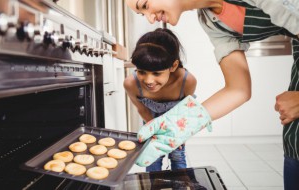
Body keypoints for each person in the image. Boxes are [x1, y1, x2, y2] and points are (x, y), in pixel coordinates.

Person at [125, 0, 299, 189]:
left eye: (145, 4)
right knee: (294, 145)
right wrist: (182, 123)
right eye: (142, 14)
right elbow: (238, 89)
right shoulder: (211, 21)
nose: (150, 19)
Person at [123, 28, 197, 171]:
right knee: (151, 158)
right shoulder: (131, 83)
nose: (149, 80)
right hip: (151, 121)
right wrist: (154, 132)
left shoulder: (187, 81)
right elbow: (142, 109)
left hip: (177, 124)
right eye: (142, 71)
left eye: (157, 73)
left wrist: (179, 134)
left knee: (177, 156)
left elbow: (185, 111)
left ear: (173, 66)